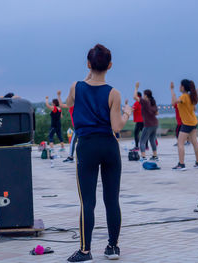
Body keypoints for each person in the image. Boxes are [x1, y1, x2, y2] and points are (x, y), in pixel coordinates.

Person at [65, 44, 132, 262]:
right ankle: (113, 247)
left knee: (88, 202)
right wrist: (127, 114)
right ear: (110, 66)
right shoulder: (114, 93)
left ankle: (85, 251)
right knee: (112, 200)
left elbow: (69, 104)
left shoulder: (76, 87)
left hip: (87, 146)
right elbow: (116, 127)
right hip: (109, 147)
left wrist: (88, 74)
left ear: (88, 64)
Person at [171, 80, 198, 171]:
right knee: (195, 142)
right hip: (193, 122)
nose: (179, 87)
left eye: (180, 85)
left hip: (187, 123)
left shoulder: (184, 96)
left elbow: (174, 102)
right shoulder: (190, 97)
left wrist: (172, 90)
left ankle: (181, 164)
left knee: (180, 143)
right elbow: (194, 108)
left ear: (183, 87)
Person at [133, 83, 159, 161]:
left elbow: (135, 97)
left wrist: (136, 87)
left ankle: (143, 157)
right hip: (155, 124)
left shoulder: (145, 102)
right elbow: (157, 113)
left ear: (146, 96)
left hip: (148, 125)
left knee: (142, 141)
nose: (143, 96)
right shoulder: (153, 102)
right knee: (152, 140)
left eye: (144, 95)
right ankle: (155, 156)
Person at [57, 90, 76, 162]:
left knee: (72, 142)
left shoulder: (72, 105)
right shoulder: (78, 104)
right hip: (81, 126)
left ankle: (70, 157)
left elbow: (61, 105)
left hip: (77, 126)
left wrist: (58, 95)